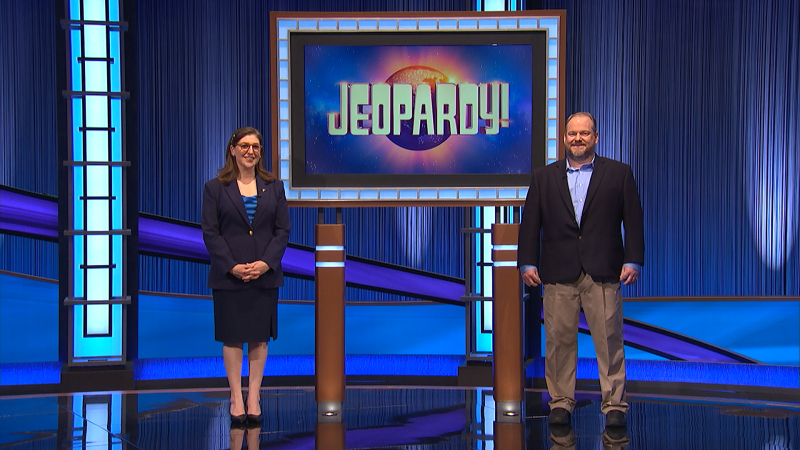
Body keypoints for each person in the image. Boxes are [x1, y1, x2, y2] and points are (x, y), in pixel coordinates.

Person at [518, 112, 644, 428]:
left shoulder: (618, 173)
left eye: (585, 133)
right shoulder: (543, 178)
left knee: (610, 339)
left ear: (596, 137)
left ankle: (614, 404)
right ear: (564, 138)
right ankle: (561, 402)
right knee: (558, 342)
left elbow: (634, 220)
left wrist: (633, 259)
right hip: (558, 272)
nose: (578, 139)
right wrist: (527, 262)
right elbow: (531, 224)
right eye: (573, 133)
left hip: (604, 270)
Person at [201, 127, 290, 425]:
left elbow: (282, 230)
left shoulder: (274, 186)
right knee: (232, 337)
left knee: (258, 338)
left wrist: (266, 264)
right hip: (230, 277)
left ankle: (253, 395)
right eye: (244, 146)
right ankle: (235, 396)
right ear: (233, 150)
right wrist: (231, 266)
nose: (250, 151)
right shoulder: (215, 188)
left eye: (256, 146)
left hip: (263, 276)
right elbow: (210, 233)